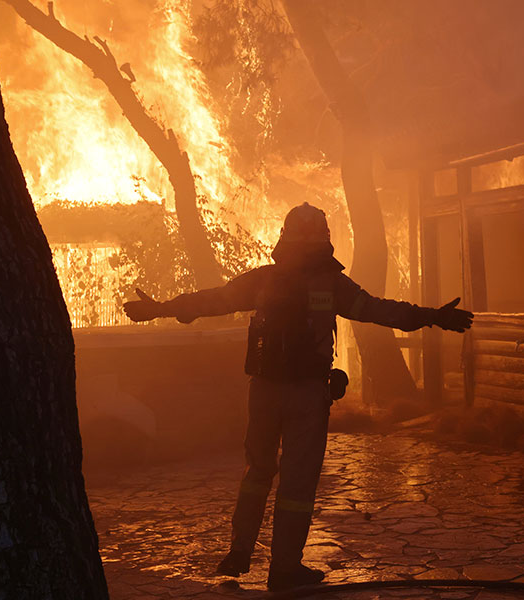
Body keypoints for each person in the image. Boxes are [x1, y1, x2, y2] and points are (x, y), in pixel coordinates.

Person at [123, 203, 473, 591]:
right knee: (297, 483)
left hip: (263, 390)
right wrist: (432, 316)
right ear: (325, 239)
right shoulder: (332, 285)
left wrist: (162, 309)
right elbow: (379, 311)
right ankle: (284, 568)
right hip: (306, 394)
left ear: (283, 238)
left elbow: (213, 301)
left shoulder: (264, 280)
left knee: (257, 472)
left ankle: (239, 551)